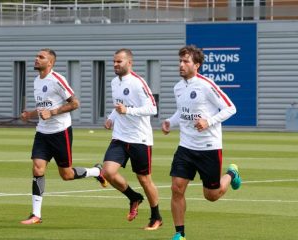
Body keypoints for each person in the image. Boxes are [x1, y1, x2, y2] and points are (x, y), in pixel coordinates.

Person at [161, 45, 242, 240]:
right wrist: (170, 122)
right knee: (176, 187)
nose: (181, 65)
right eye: (180, 61)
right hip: (186, 146)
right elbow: (182, 112)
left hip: (209, 148)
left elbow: (231, 108)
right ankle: (180, 233)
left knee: (211, 195)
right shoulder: (178, 87)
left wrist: (208, 122)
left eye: (186, 61)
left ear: (196, 65)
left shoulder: (207, 85)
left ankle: (232, 173)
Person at [20, 48, 108, 225]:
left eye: (41, 57)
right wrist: (30, 114)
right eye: (37, 56)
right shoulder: (37, 81)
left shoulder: (57, 80)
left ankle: (97, 171)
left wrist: (52, 113)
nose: (36, 59)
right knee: (37, 169)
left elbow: (75, 103)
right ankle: (36, 214)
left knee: (66, 175)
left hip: (61, 133)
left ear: (50, 63)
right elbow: (43, 108)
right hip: (42, 133)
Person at [102, 48, 162, 230]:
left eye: (119, 62)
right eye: (114, 62)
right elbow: (119, 105)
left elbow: (152, 108)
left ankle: (156, 217)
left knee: (144, 180)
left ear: (129, 63)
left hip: (140, 139)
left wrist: (128, 111)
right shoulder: (114, 82)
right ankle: (133, 197)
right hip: (120, 137)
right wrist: (112, 117)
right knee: (108, 172)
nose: (115, 65)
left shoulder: (138, 83)